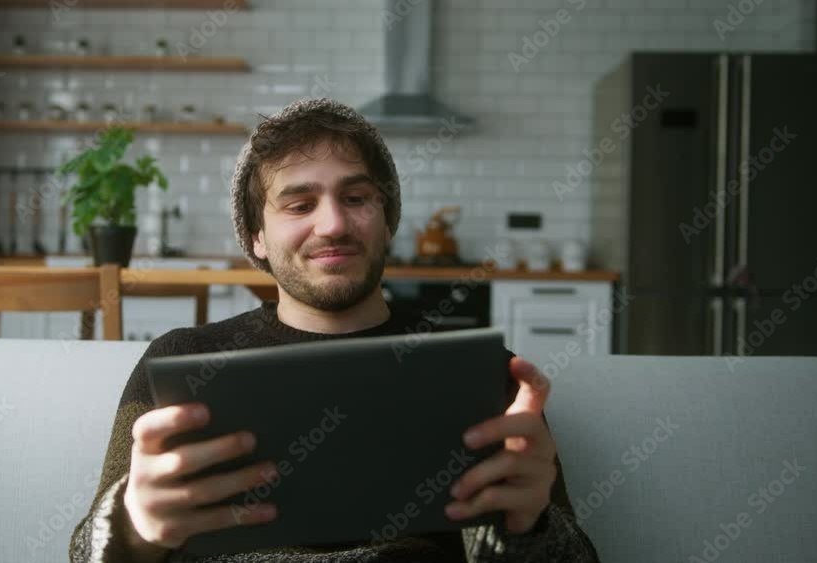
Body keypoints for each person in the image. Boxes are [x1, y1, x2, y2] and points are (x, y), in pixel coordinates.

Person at [69, 98, 600, 563]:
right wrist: (135, 523)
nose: (333, 225)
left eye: (356, 198)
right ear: (256, 235)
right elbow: (86, 553)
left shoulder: (473, 371)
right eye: (299, 204)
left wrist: (529, 527)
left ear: (387, 218)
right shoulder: (185, 361)